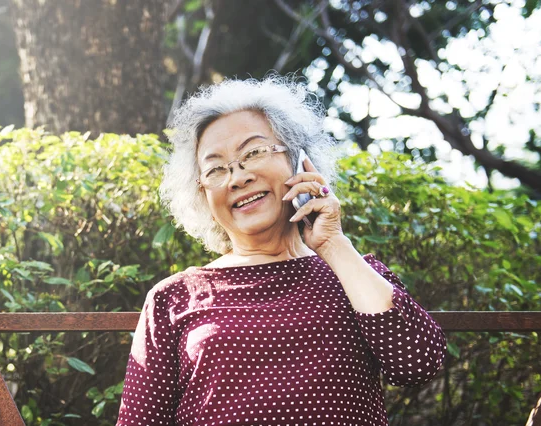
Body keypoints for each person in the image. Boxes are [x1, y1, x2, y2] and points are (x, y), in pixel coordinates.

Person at [116, 76, 446, 426]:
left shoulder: (354, 274)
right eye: (215, 169)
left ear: (299, 159)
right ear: (201, 193)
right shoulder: (173, 297)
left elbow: (419, 364)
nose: (236, 178)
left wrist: (334, 245)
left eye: (253, 153)